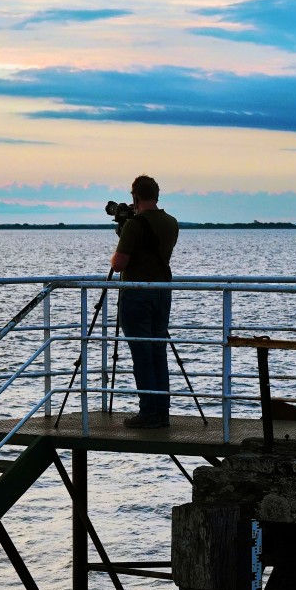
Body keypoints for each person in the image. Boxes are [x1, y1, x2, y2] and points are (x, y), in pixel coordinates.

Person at [110, 175, 179, 428]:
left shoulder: (135, 225)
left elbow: (118, 264)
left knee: (142, 355)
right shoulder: (171, 222)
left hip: (136, 294)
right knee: (158, 353)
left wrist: (123, 234)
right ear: (157, 195)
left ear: (135, 197)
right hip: (163, 293)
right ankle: (162, 412)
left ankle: (148, 413)